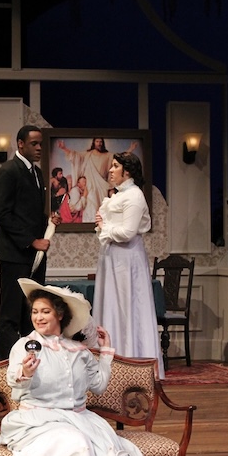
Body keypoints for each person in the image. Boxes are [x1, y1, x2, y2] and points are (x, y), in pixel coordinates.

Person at [0, 278, 145, 456]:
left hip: (79, 418)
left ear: (59, 315)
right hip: (39, 420)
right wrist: (25, 373)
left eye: (45, 311)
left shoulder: (78, 351)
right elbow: (14, 380)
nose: (38, 317)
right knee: (74, 444)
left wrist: (106, 352)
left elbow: (98, 386)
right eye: (35, 312)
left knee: (120, 452)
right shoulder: (25, 346)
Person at [92, 151, 165, 379]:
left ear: (128, 171)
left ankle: (132, 362)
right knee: (112, 305)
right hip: (112, 257)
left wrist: (104, 226)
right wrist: (103, 224)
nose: (110, 170)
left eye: (115, 166)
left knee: (126, 307)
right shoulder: (119, 195)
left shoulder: (134, 195)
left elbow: (127, 232)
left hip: (126, 260)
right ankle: (110, 364)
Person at [0, 124, 61, 360]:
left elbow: (29, 214)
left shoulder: (37, 173)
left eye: (41, 143)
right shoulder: (8, 172)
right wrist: (32, 241)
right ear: (20, 144)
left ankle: (30, 363)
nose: (39, 148)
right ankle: (7, 366)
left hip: (34, 257)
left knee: (30, 312)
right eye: (34, 144)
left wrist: (48, 221)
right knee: (10, 313)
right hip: (14, 255)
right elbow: (3, 214)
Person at [57, 137, 111, 222]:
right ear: (94, 143)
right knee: (90, 206)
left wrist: (130, 149)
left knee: (102, 208)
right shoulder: (88, 154)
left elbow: (118, 159)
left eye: (101, 142)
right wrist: (64, 148)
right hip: (89, 186)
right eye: (97, 141)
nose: (99, 143)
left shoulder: (107, 155)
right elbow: (75, 156)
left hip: (101, 187)